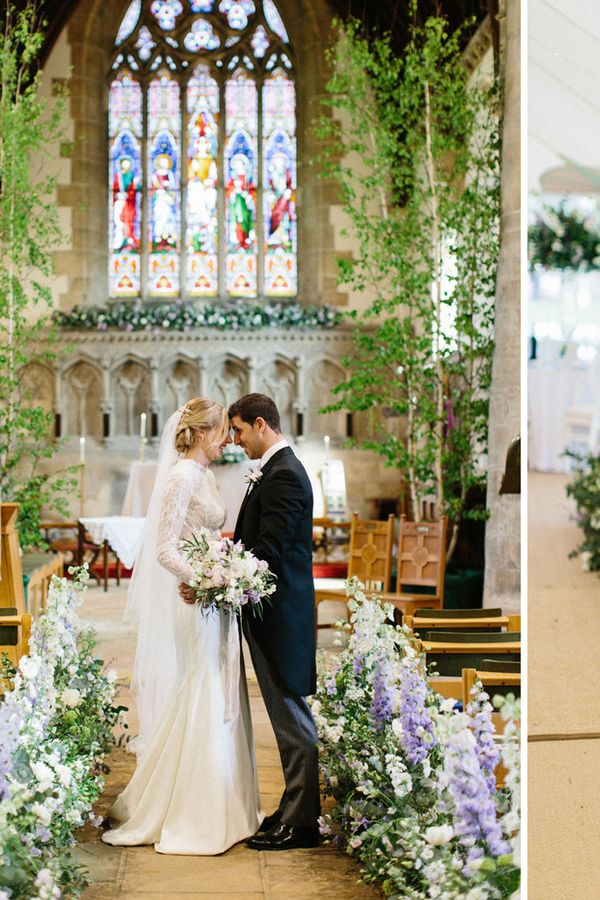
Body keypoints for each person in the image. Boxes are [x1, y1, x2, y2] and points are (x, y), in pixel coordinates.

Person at [102, 398, 262, 855]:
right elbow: (164, 548)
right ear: (203, 432)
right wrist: (206, 579)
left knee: (219, 684)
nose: (228, 441)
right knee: (203, 685)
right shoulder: (178, 477)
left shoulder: (206, 476)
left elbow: (210, 534)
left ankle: (228, 806)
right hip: (193, 599)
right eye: (221, 433)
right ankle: (194, 811)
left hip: (214, 596)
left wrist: (225, 567)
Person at [227, 393, 320, 851]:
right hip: (274, 612)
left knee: (291, 717)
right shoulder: (277, 469)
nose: (235, 440)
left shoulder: (283, 475)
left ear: (260, 424)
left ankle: (301, 825)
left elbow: (270, 552)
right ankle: (293, 807)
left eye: (239, 431)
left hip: (280, 614)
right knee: (286, 715)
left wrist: (221, 570)